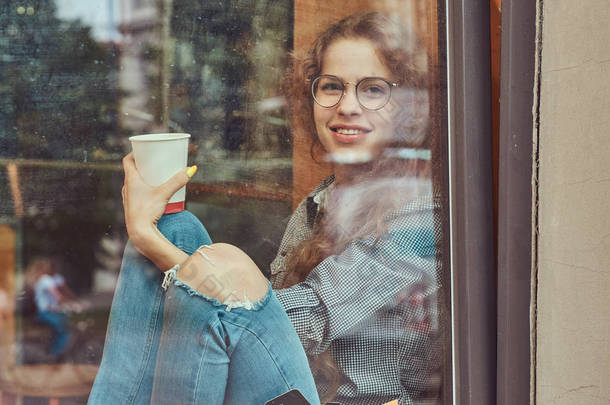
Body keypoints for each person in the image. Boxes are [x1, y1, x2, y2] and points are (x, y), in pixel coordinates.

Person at [90, 11, 441, 405]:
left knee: (212, 261)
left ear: (409, 107)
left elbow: (294, 322)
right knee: (177, 228)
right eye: (331, 87)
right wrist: (160, 241)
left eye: (373, 90)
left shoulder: (421, 215)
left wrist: (147, 238)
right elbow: (260, 335)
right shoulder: (322, 201)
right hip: (295, 390)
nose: (347, 106)